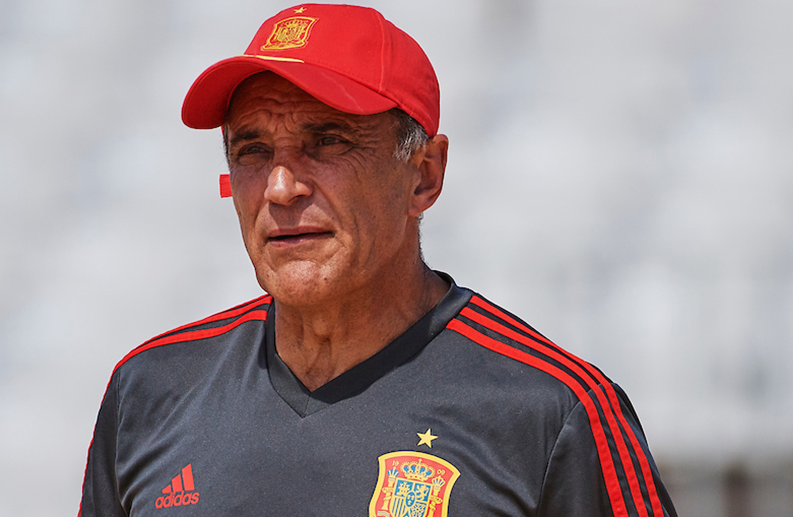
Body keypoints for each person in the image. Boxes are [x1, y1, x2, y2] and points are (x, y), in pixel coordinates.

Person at [79, 4, 677, 516]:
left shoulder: (556, 413)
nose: (281, 187)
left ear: (424, 176)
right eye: (253, 150)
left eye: (328, 142)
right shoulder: (149, 390)